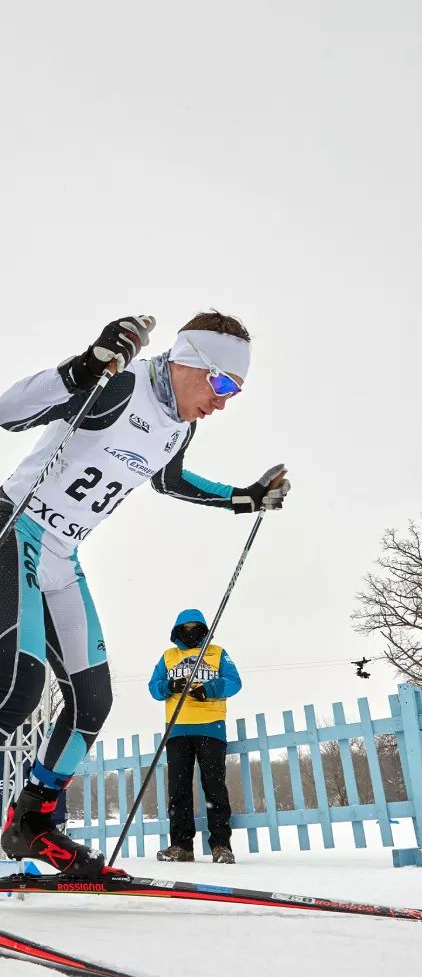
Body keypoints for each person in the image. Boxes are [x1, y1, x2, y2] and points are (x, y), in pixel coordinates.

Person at [0, 309, 290, 878]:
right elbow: (9, 412)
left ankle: (30, 822)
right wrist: (82, 368)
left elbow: (170, 480)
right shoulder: (123, 383)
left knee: (92, 703)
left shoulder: (180, 425)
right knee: (18, 687)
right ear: (189, 362)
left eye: (236, 390)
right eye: (223, 383)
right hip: (16, 527)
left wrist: (244, 498)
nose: (225, 401)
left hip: (62, 554)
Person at [149, 608, 241, 864]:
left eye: (196, 628)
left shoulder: (217, 652)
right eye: (185, 628)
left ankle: (221, 845)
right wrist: (170, 686)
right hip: (177, 729)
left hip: (211, 726)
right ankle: (181, 846)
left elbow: (234, 681)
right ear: (177, 631)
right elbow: (153, 688)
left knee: (214, 787)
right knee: (178, 790)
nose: (190, 632)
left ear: (204, 629)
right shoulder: (168, 657)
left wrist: (209, 689)